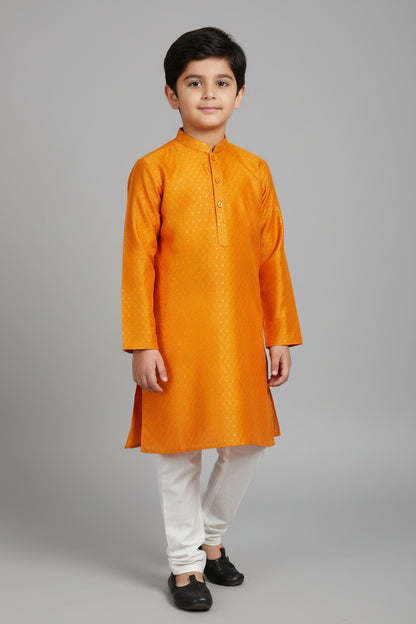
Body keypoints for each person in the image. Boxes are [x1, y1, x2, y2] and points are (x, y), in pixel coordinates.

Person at [121, 26, 303, 611]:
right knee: (179, 453)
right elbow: (137, 262)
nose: (208, 94)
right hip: (175, 337)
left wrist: (280, 335)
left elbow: (272, 257)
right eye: (193, 83)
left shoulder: (255, 170)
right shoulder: (153, 169)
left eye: (222, 83)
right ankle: (184, 568)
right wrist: (142, 343)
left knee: (247, 443)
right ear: (171, 94)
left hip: (241, 334)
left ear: (239, 95)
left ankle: (210, 539)